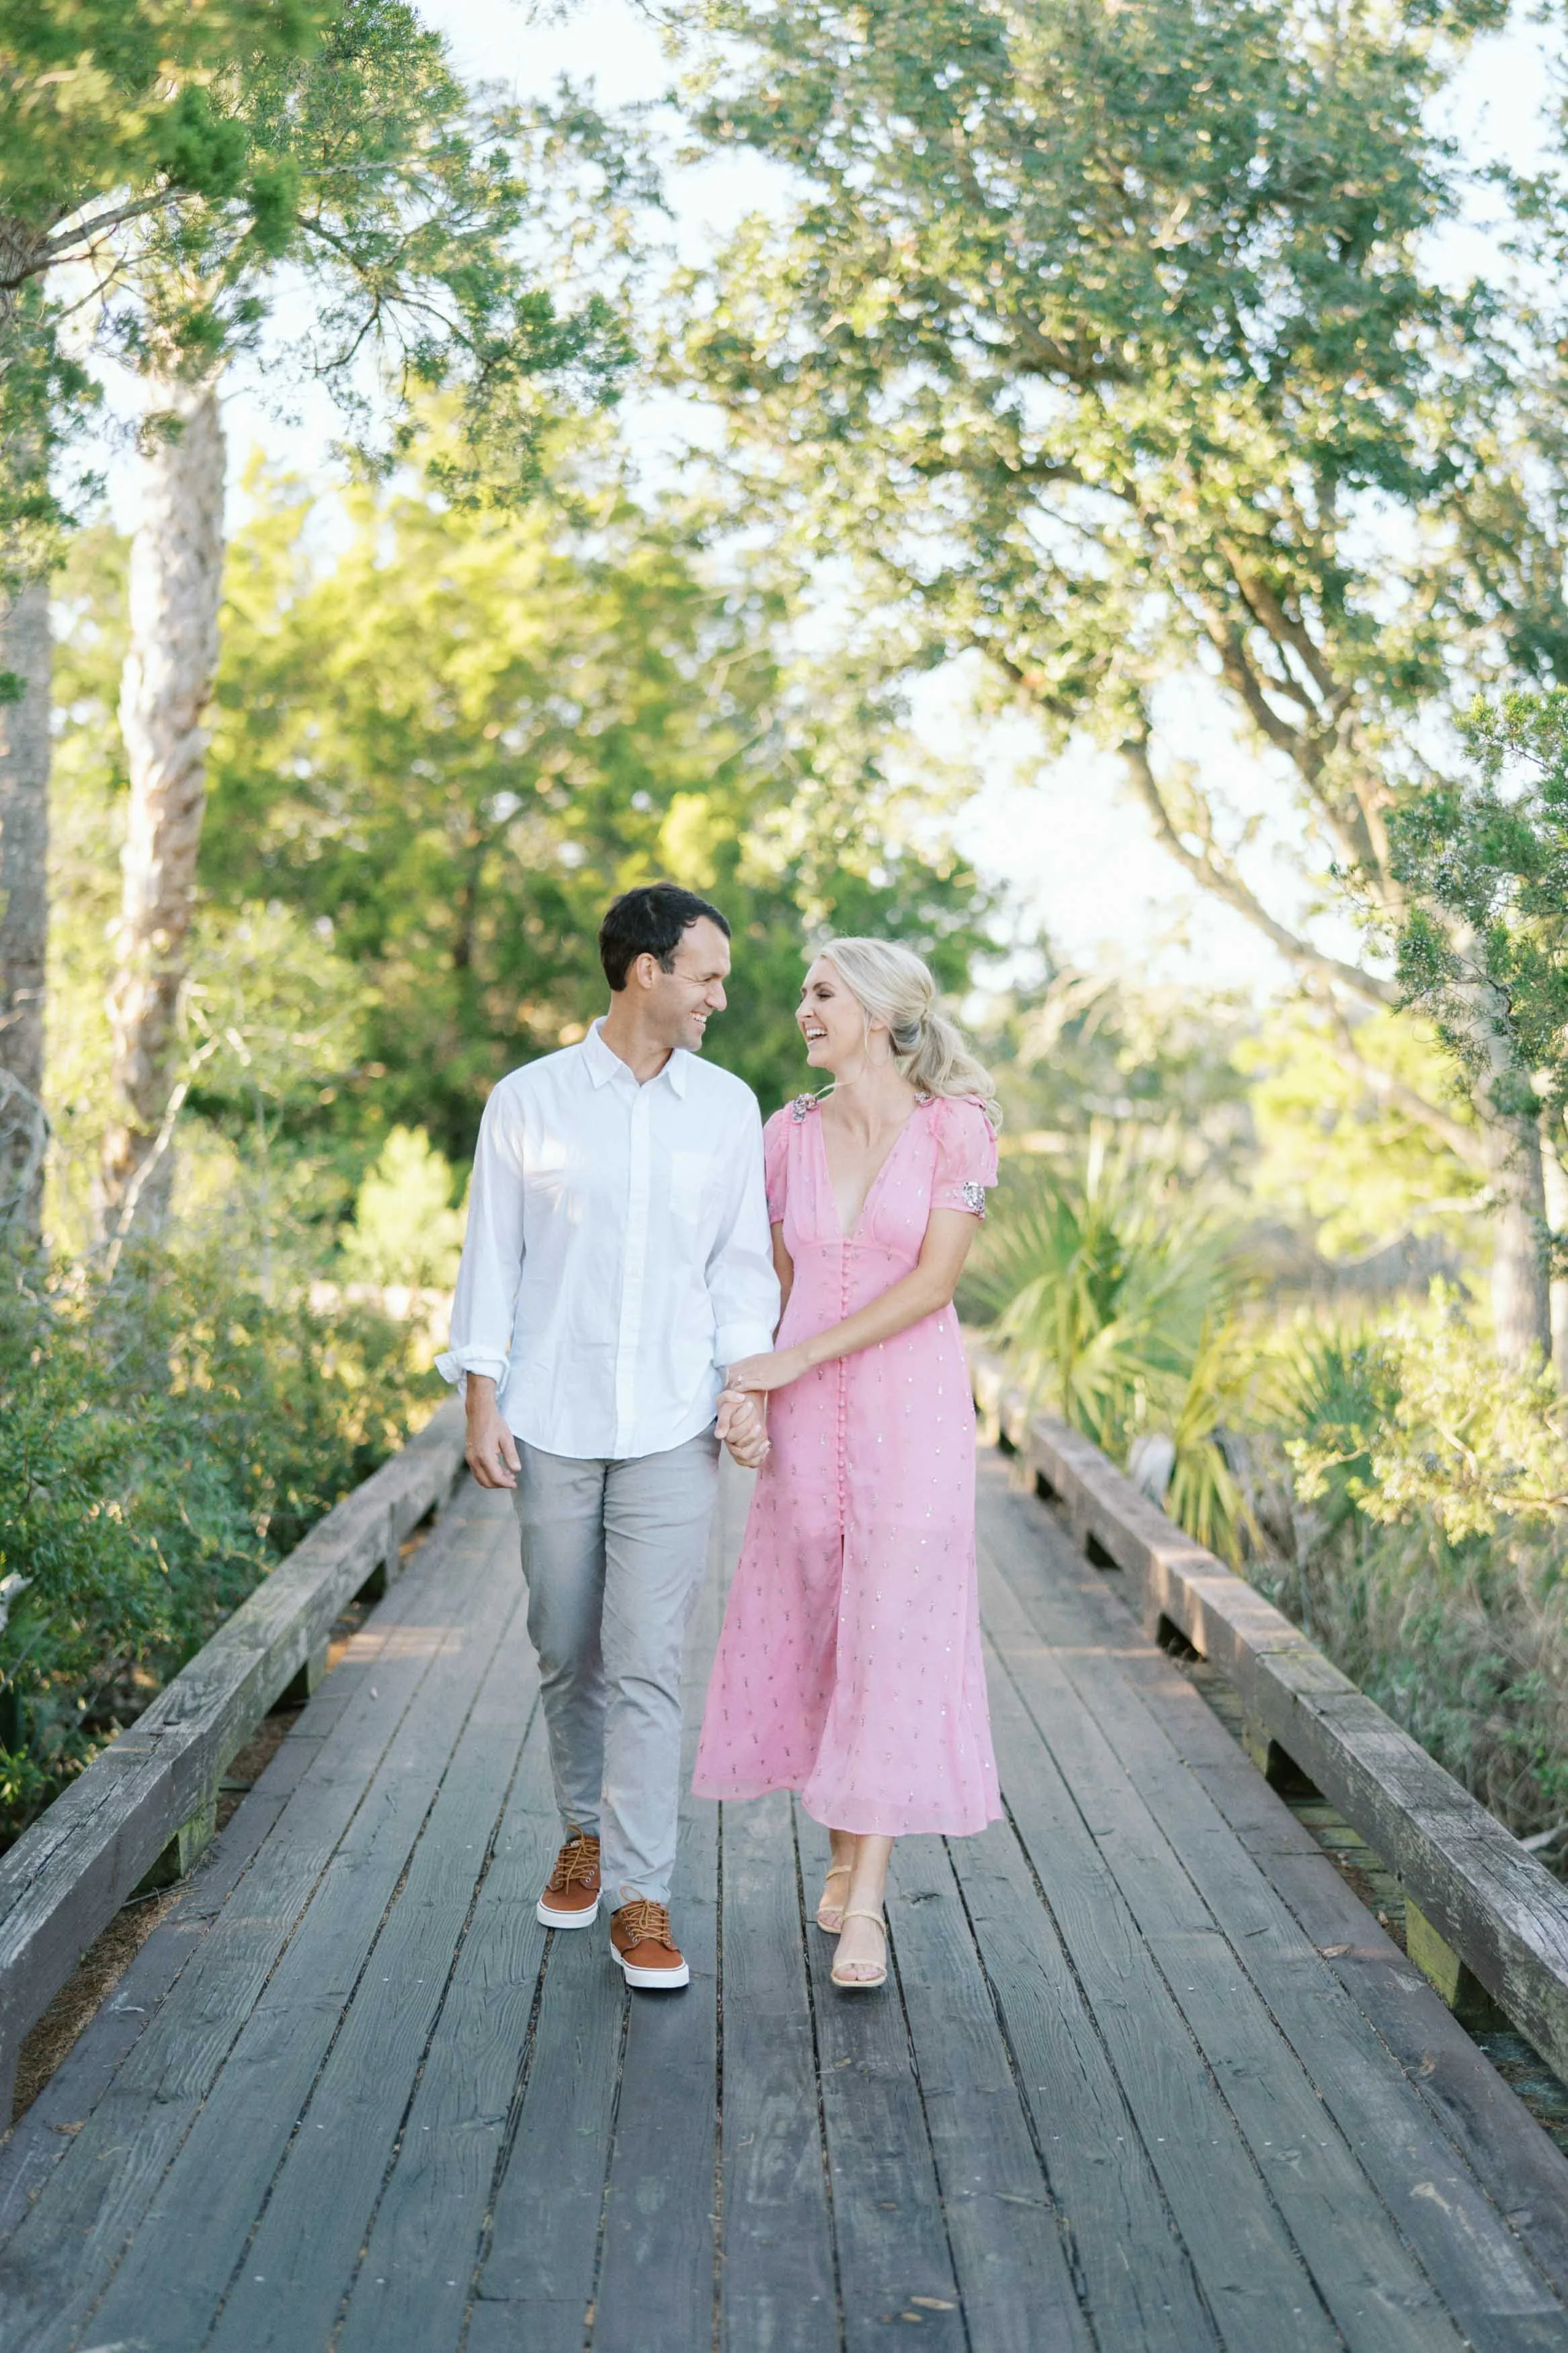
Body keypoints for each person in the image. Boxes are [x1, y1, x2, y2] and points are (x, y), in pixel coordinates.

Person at [438, 883, 776, 1992]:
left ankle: (639, 1889)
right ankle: (579, 1826)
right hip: (554, 1416)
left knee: (647, 1661)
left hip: (674, 1422)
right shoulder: (529, 1100)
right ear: (646, 971)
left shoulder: (727, 1108)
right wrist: (481, 1392)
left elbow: (738, 1267)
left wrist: (746, 1386)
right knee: (565, 1641)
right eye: (707, 975)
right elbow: (494, 1254)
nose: (719, 997)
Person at [694, 937, 1002, 1989]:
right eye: (803, 996)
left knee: (892, 1638)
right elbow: (776, 1285)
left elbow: (932, 1286)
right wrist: (753, 1394)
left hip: (910, 1421)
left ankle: (866, 1905)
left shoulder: (955, 1129)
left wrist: (794, 1360)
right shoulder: (787, 1135)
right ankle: (838, 1851)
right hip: (806, 1427)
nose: (801, 1011)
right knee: (823, 1630)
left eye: (821, 993)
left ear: (877, 1010)